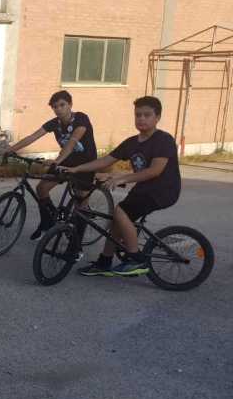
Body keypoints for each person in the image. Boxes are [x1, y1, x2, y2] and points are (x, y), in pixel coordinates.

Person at [64, 96, 180, 276]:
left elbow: (155, 171)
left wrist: (120, 178)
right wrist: (76, 169)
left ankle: (136, 259)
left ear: (157, 117)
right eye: (138, 115)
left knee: (119, 211)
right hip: (144, 190)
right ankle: (105, 262)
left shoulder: (163, 140)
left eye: (147, 115)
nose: (141, 119)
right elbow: (105, 160)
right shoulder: (132, 142)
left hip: (163, 190)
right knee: (116, 220)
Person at [0, 90, 97, 240]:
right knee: (42, 188)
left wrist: (57, 160)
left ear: (70, 105)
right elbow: (32, 137)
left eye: (62, 105)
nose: (58, 109)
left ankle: (76, 244)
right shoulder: (54, 124)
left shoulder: (81, 118)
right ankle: (48, 221)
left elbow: (72, 142)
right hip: (65, 161)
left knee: (80, 203)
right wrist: (9, 150)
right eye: (55, 107)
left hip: (86, 163)